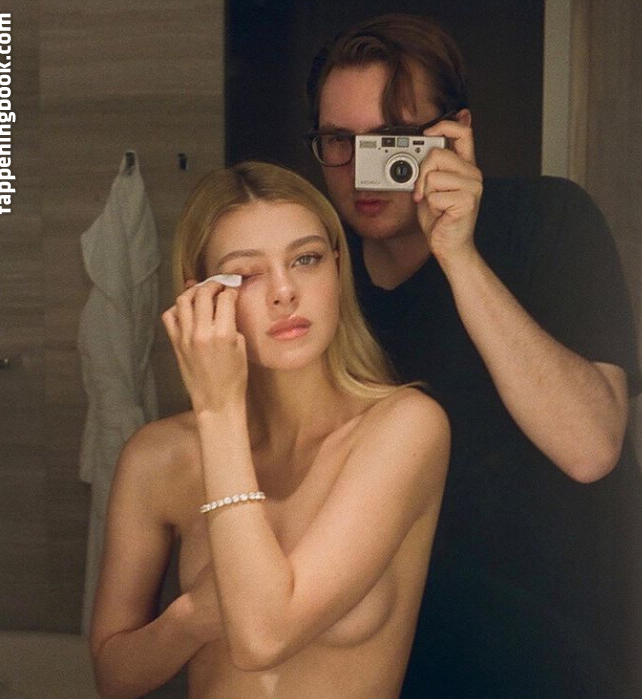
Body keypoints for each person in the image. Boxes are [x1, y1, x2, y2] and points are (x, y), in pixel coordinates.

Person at [305, 13, 642, 698]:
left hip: (565, 661)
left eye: (389, 140)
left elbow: (591, 445)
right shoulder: (317, 280)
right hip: (402, 665)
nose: (362, 170)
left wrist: (459, 257)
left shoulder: (547, 219)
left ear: (453, 134)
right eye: (340, 142)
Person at [89, 160, 449, 698]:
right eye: (247, 274)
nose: (284, 292)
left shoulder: (403, 430)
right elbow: (113, 678)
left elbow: (263, 637)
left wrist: (218, 412)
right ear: (200, 296)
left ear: (337, 267)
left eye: (305, 259)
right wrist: (193, 616)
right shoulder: (158, 457)